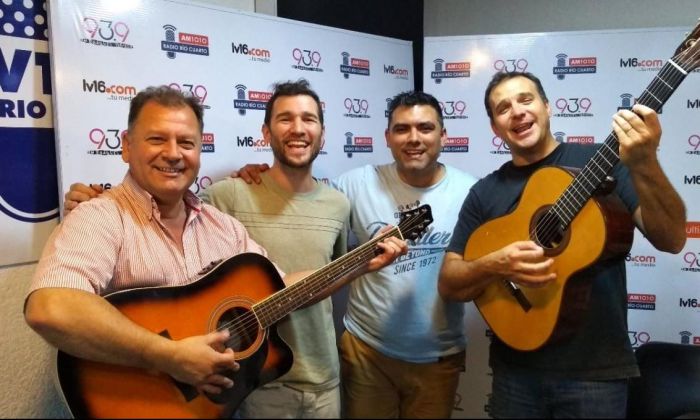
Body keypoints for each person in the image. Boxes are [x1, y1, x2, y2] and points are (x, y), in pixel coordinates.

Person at [25, 85, 407, 416]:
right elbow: (51, 307)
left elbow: (281, 289)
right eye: (157, 139)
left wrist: (359, 264)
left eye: (187, 143)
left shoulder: (219, 224)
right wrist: (168, 356)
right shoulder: (101, 217)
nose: (173, 153)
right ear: (126, 147)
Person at [438, 71, 686, 418]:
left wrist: (646, 163)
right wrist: (496, 264)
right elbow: (450, 281)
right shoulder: (485, 193)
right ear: (495, 128)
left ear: (548, 107)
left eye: (526, 99)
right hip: (515, 373)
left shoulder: (604, 162)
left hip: (596, 374)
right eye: (503, 108)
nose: (518, 112)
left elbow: (672, 239)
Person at [235, 91, 478, 418]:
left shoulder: (470, 193)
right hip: (366, 355)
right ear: (388, 138)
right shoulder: (354, 185)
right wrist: (257, 177)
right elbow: (301, 192)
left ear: (443, 135)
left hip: (439, 357)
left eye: (425, 128)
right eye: (402, 129)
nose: (414, 138)